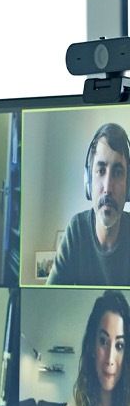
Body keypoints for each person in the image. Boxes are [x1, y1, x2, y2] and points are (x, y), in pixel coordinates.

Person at [45, 290, 130, 406]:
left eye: (119, 345)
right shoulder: (77, 405)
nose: (109, 359)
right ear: (92, 346)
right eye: (103, 341)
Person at [50, 122, 130, 286]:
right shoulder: (76, 231)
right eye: (100, 171)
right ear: (89, 182)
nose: (107, 188)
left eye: (118, 172)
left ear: (128, 185)